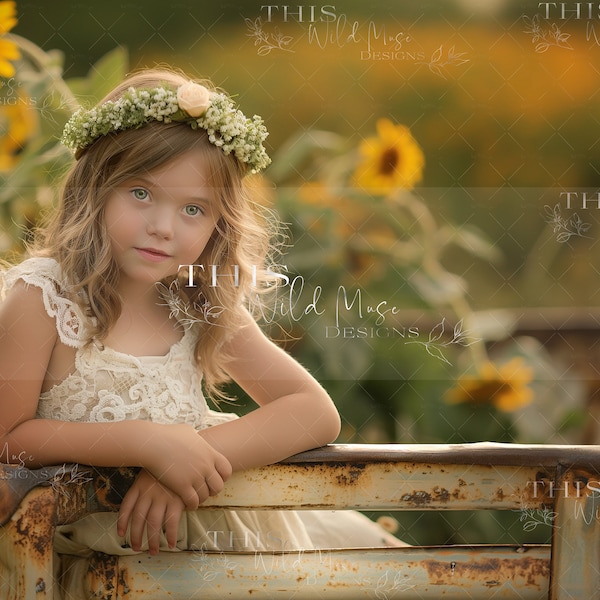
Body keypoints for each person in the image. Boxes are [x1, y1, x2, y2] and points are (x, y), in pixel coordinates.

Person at [0, 67, 401, 596]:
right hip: (99, 560)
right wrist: (146, 442)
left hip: (217, 543)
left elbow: (313, 411)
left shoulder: (200, 299)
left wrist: (187, 463)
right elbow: (9, 441)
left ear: (219, 223)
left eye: (193, 209)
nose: (164, 226)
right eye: (140, 193)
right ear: (94, 188)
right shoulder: (44, 296)